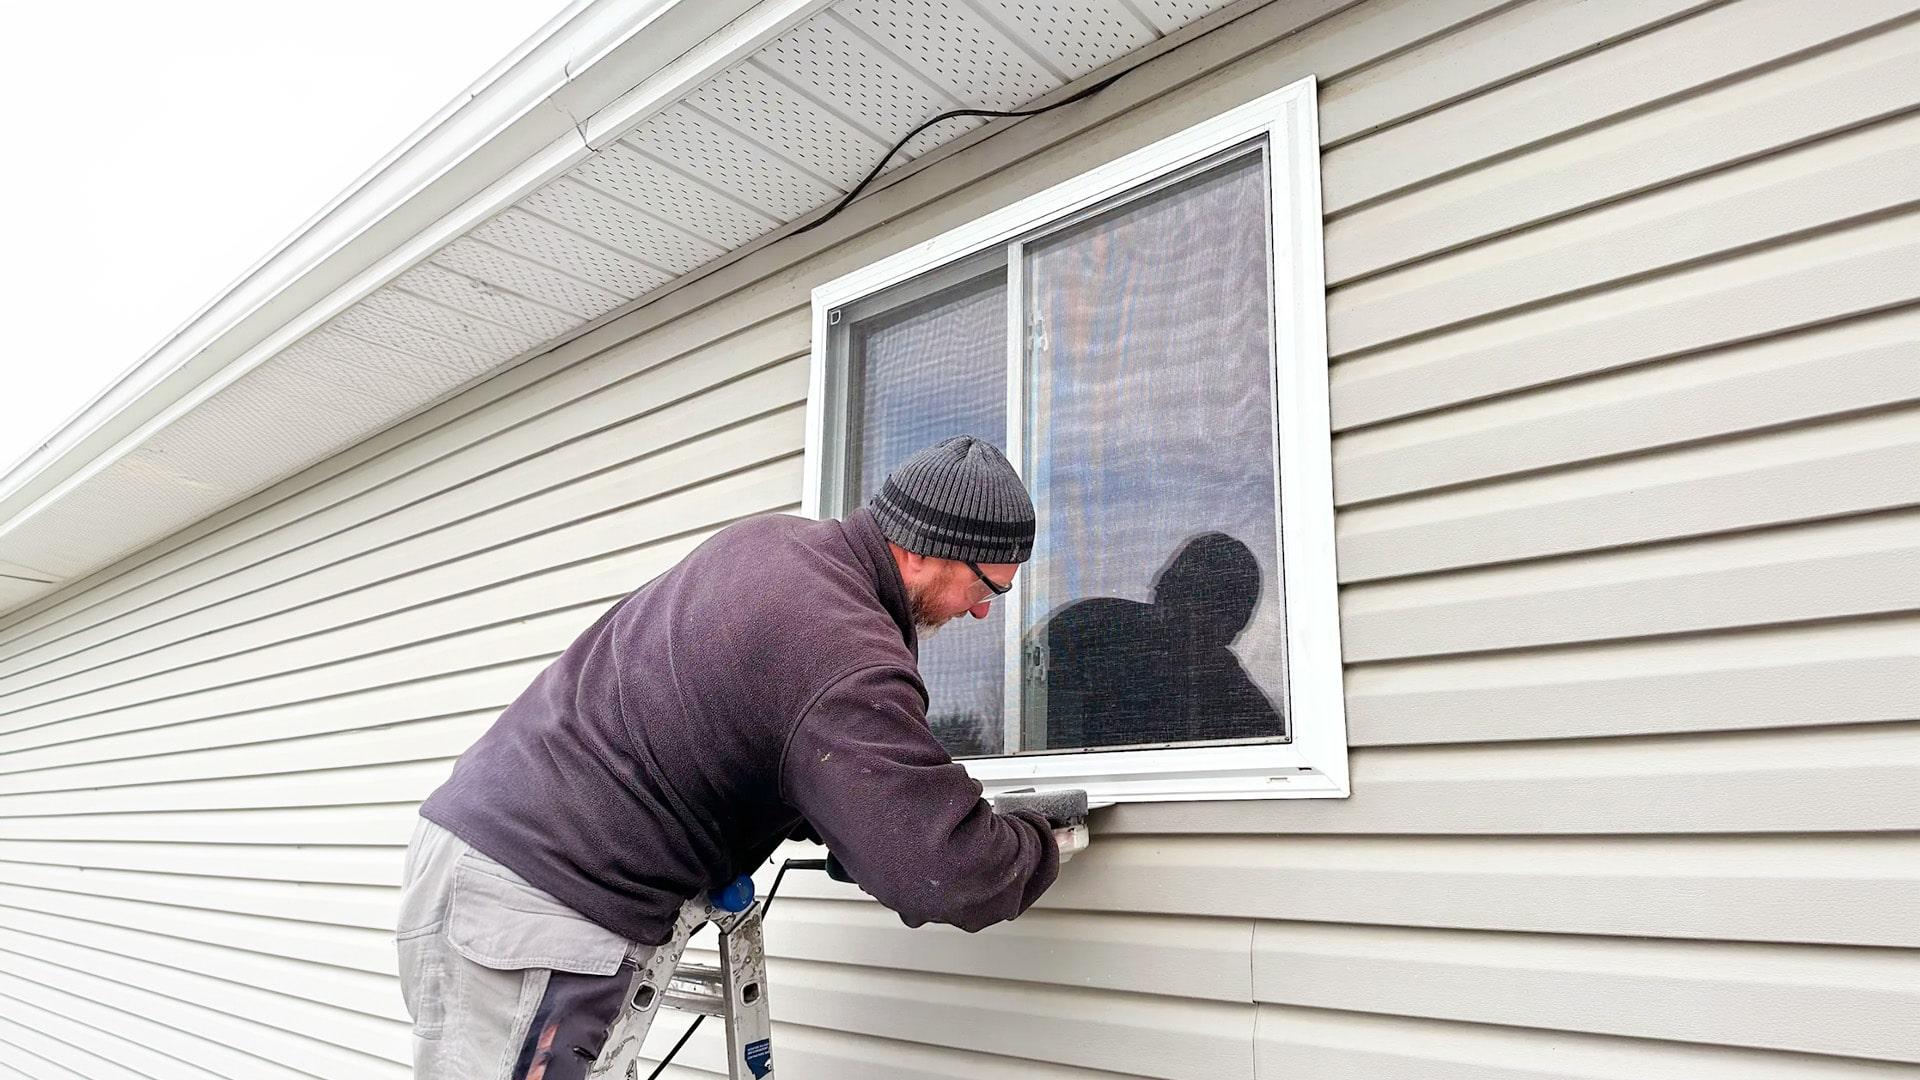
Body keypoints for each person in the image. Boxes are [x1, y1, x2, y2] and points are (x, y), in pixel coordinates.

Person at [394, 435, 1070, 1080]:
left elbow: (742, 727)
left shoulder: (772, 545)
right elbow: (941, 870)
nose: (983, 613)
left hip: (476, 854)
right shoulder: (846, 649)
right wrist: (1038, 842)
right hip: (540, 906)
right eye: (989, 589)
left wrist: (846, 816)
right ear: (930, 551)